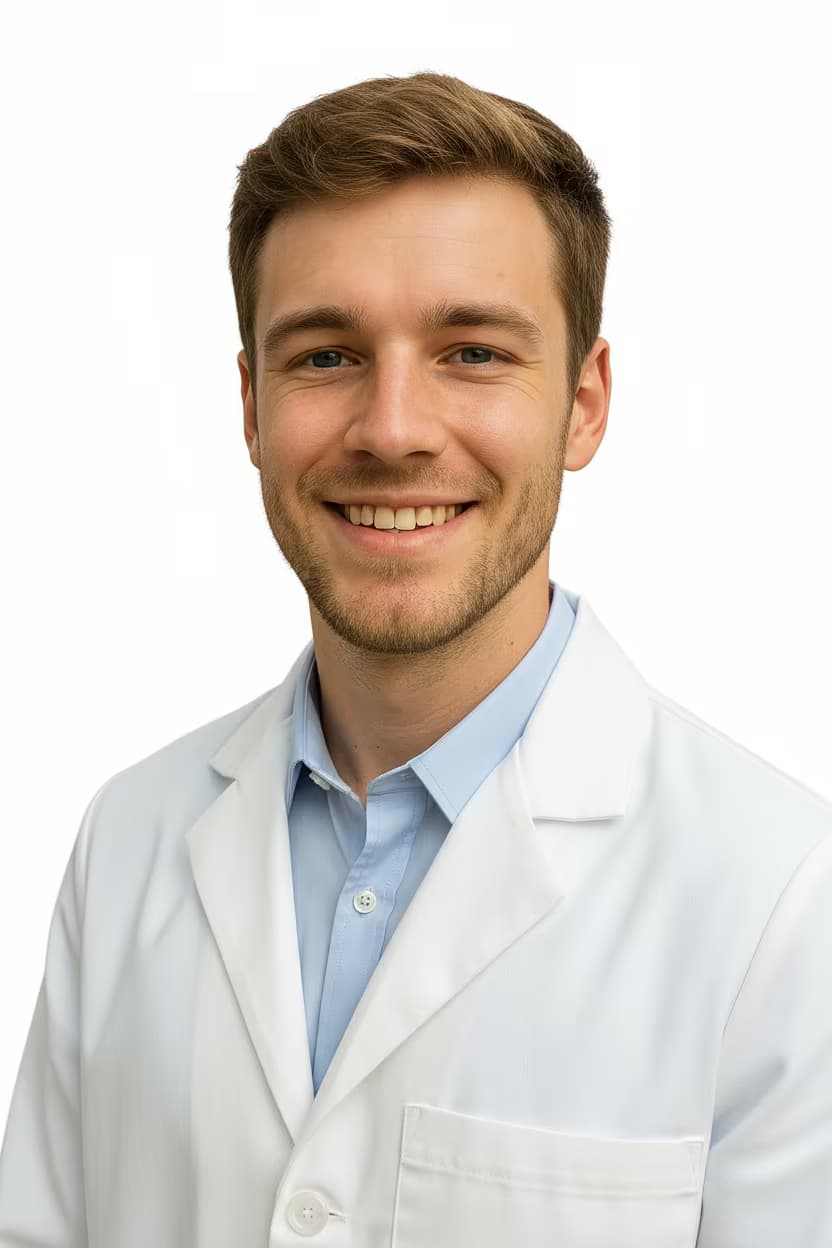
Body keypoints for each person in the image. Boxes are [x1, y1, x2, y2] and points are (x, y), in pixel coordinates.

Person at [1, 70, 830, 1248]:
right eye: (325, 356)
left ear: (584, 403)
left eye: (473, 352)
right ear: (250, 407)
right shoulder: (126, 841)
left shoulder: (785, 900)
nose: (392, 430)